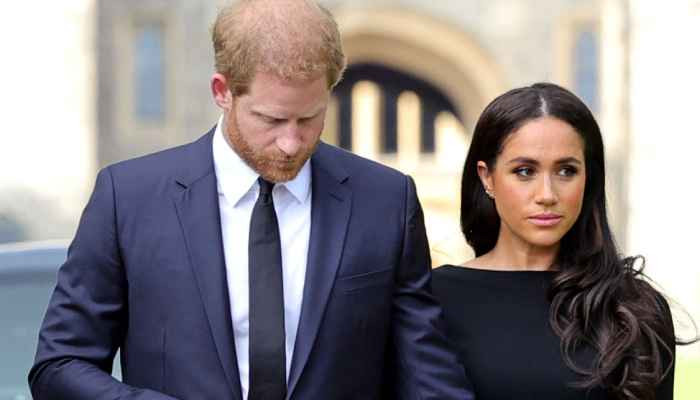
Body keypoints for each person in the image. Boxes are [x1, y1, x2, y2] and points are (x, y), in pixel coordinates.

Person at [28, 1, 473, 399]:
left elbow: (427, 377)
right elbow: (60, 365)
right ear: (221, 92)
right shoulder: (128, 198)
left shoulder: (385, 200)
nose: (291, 143)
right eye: (271, 119)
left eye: (310, 117)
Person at [433, 82, 678, 399]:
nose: (547, 195)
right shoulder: (433, 299)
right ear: (487, 177)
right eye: (525, 171)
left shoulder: (633, 307)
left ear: (588, 178)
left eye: (566, 171)